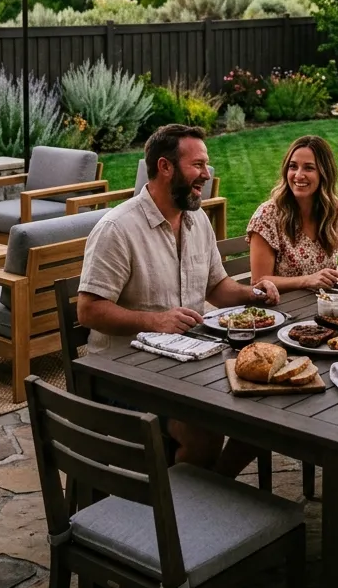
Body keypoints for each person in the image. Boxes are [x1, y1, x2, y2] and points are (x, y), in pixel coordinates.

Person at [76, 123, 280, 474]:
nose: (206, 174)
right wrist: (155, 321)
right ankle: (187, 500)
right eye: (197, 165)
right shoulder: (117, 229)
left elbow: (217, 287)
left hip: (187, 365)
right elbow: (88, 310)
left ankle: (209, 489)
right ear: (165, 167)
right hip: (124, 376)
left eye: (206, 165)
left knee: (266, 403)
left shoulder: (197, 221)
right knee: (203, 432)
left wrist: (254, 294)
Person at [248, 134, 338, 292]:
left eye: (309, 168)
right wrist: (307, 280)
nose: (298, 175)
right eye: (293, 166)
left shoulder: (331, 210)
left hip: (327, 301)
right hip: (286, 304)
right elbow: (259, 281)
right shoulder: (267, 215)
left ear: (324, 173)